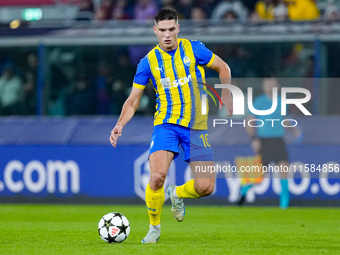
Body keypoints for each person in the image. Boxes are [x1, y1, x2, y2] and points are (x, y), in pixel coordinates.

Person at [109, 8, 233, 243]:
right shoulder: (148, 62)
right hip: (166, 125)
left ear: (178, 28)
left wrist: (226, 93)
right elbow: (133, 99)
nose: (167, 35)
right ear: (155, 30)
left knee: (206, 187)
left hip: (196, 126)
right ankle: (154, 228)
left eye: (171, 29)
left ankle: (176, 193)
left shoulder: (193, 48)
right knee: (157, 176)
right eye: (162, 30)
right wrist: (119, 125)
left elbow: (223, 67)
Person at [238, 77, 303, 208]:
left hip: (278, 140)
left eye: (272, 84)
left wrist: (294, 131)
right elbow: (250, 120)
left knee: (284, 169)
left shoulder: (282, 102)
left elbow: (284, 120)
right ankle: (244, 190)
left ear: (277, 86)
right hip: (264, 141)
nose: (270, 86)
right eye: (267, 84)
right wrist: (254, 139)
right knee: (260, 175)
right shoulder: (259, 102)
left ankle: (284, 203)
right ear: (263, 87)